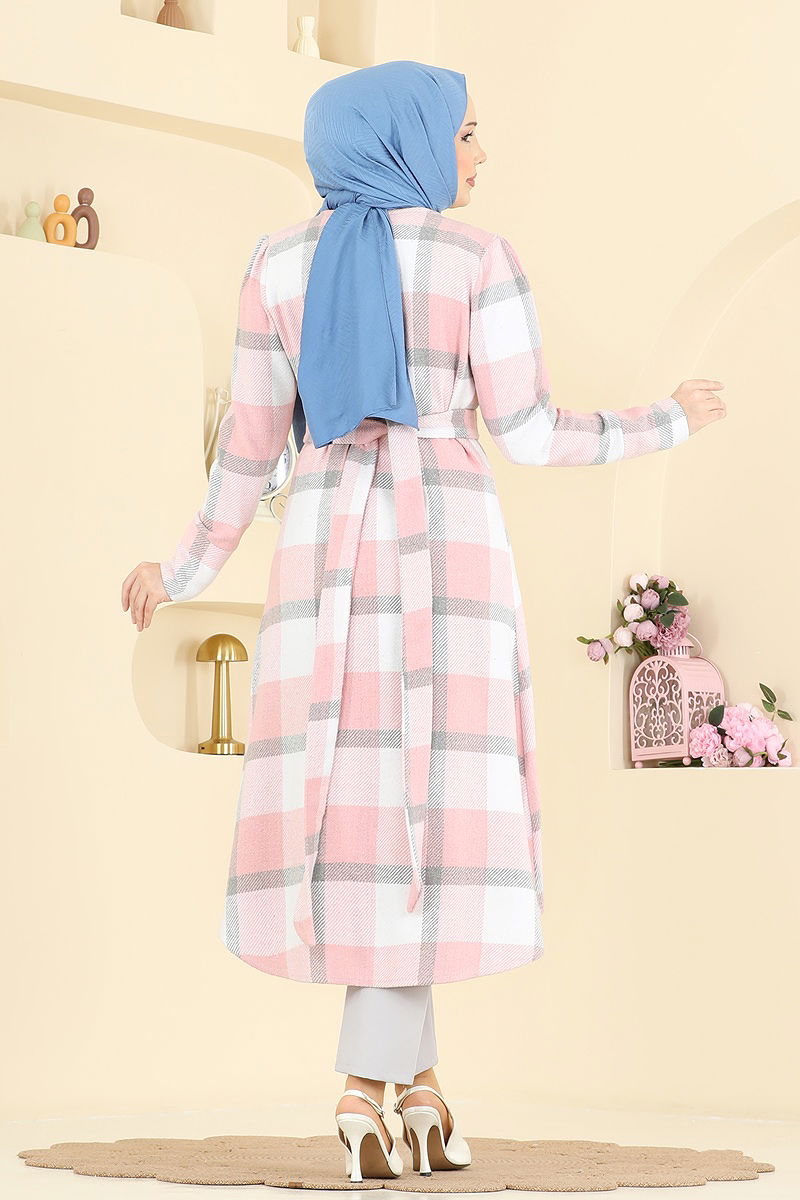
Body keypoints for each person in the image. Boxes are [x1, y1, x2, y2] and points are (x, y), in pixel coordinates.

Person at [121, 60, 726, 1183]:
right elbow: (532, 432)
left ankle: (424, 1092)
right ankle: (365, 1088)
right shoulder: (474, 258)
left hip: (321, 557)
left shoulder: (277, 264)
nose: (480, 154)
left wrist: (184, 567)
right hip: (446, 551)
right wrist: (668, 422)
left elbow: (247, 456)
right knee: (426, 816)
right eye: (466, 133)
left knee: (359, 817)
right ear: (406, 137)